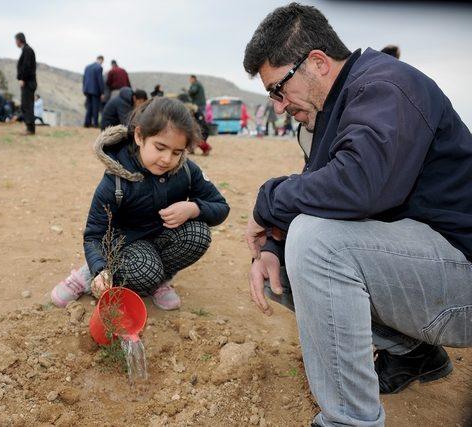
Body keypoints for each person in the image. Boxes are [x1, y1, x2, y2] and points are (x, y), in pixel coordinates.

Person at [242, 4, 472, 426]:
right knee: (287, 262)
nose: (277, 106)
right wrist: (273, 245)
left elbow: (362, 185)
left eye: (278, 89)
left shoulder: (387, 86)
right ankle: (415, 354)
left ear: (317, 62)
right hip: (431, 270)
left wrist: (266, 200)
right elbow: (321, 193)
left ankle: (349, 420)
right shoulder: (339, 107)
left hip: (463, 277)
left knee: (315, 242)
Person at [50, 98, 230, 310]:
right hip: (126, 246)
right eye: (160, 147)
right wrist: (100, 269)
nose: (166, 159)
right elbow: (94, 235)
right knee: (146, 272)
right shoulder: (114, 180)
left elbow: (220, 206)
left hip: (161, 238)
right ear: (139, 136)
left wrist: (193, 208)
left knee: (199, 234)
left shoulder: (187, 171)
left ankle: (160, 282)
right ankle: (87, 275)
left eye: (176, 152)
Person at [15, 32, 37, 135]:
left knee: (27, 105)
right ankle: (29, 127)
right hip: (28, 82)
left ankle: (30, 129)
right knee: (26, 105)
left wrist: (22, 78)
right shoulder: (26, 50)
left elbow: (26, 67)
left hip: (28, 82)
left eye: (16, 40)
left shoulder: (27, 50)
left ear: (19, 40)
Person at [82, 55, 104, 128]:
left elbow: (84, 79)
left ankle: (87, 123)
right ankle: (95, 124)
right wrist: (102, 92)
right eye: (102, 61)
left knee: (89, 107)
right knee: (95, 108)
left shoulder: (87, 67)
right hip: (95, 91)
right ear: (101, 60)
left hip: (87, 90)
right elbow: (100, 80)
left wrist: (84, 89)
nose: (102, 63)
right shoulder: (99, 68)